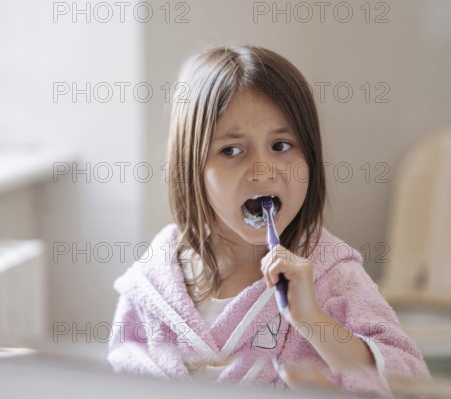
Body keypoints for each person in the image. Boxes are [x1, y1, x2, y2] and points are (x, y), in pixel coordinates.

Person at [107, 45, 430, 396]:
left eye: (281, 145)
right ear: (192, 169)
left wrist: (314, 322)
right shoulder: (153, 284)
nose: (262, 170)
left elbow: (410, 382)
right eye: (231, 150)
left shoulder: (332, 274)